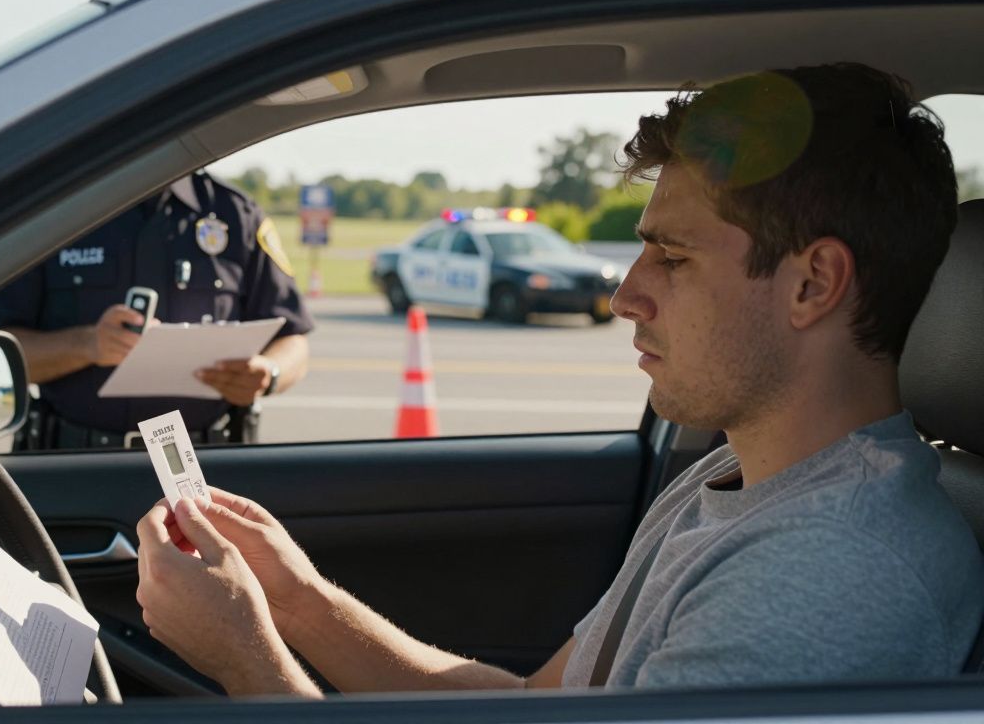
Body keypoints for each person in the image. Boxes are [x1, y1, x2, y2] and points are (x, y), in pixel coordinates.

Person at [133, 63, 984, 696]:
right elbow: (538, 706)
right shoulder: (735, 482)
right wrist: (298, 602)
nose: (624, 295)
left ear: (812, 284)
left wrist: (247, 658)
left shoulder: (828, 573)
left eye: (673, 258)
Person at [0, 170, 312, 449]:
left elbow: (293, 341)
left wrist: (269, 374)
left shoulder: (235, 214)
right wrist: (87, 345)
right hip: (73, 469)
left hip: (203, 474)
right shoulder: (51, 212)